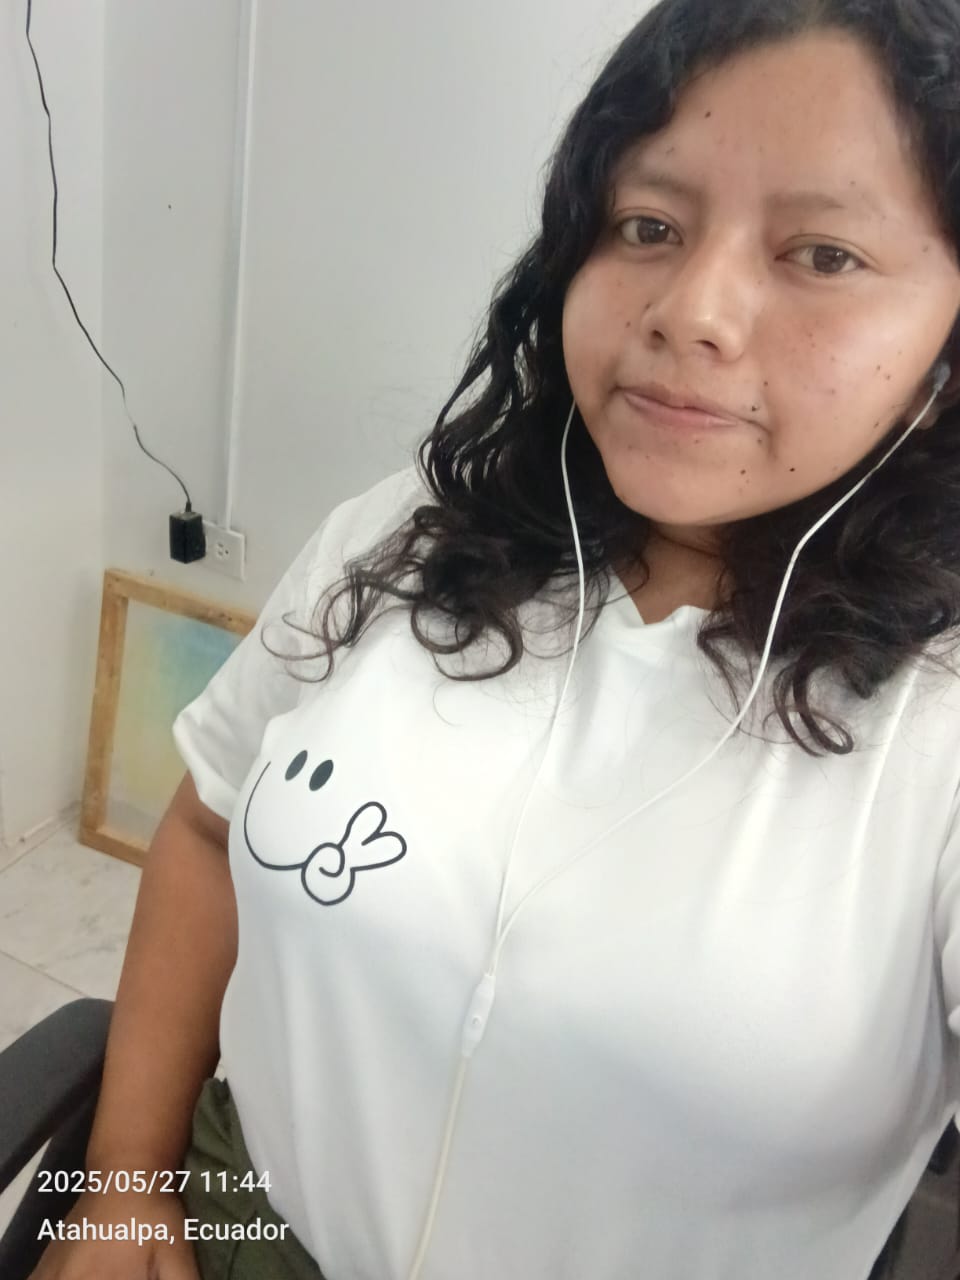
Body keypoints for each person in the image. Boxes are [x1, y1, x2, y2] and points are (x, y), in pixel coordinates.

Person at [28, 0, 960, 1277]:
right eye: (648, 224)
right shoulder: (411, 528)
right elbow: (204, 824)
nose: (692, 308)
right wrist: (127, 1186)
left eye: (824, 253)